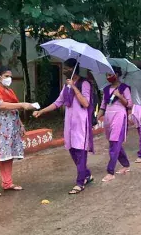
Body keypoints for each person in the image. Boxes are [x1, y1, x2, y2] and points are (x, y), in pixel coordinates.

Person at [33, 59, 95, 194]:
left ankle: (80, 183)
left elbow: (85, 103)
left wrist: (74, 87)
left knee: (81, 151)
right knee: (72, 150)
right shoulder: (65, 86)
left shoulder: (85, 84)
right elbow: (58, 102)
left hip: (81, 124)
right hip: (69, 123)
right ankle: (87, 174)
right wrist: (41, 111)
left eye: (67, 68)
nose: (64, 71)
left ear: (73, 69)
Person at [0, 65, 35, 197]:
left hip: (11, 128)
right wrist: (22, 104)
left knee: (8, 156)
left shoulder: (10, 91)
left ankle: (7, 183)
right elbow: (1, 105)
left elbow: (14, 111)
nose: (9, 79)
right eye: (6, 76)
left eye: (10, 76)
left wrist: (21, 125)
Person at [97, 66, 132, 182]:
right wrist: (96, 117)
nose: (108, 77)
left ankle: (110, 171)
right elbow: (103, 106)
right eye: (106, 75)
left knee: (115, 142)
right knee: (114, 142)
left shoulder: (124, 88)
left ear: (116, 74)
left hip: (119, 115)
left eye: (110, 74)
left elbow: (129, 104)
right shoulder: (106, 89)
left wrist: (119, 96)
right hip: (108, 116)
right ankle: (126, 165)